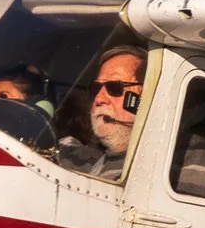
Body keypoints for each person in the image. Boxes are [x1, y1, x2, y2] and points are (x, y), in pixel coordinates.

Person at [55, 48, 145, 178]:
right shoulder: (82, 158)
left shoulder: (175, 172)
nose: (99, 98)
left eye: (115, 87)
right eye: (96, 88)